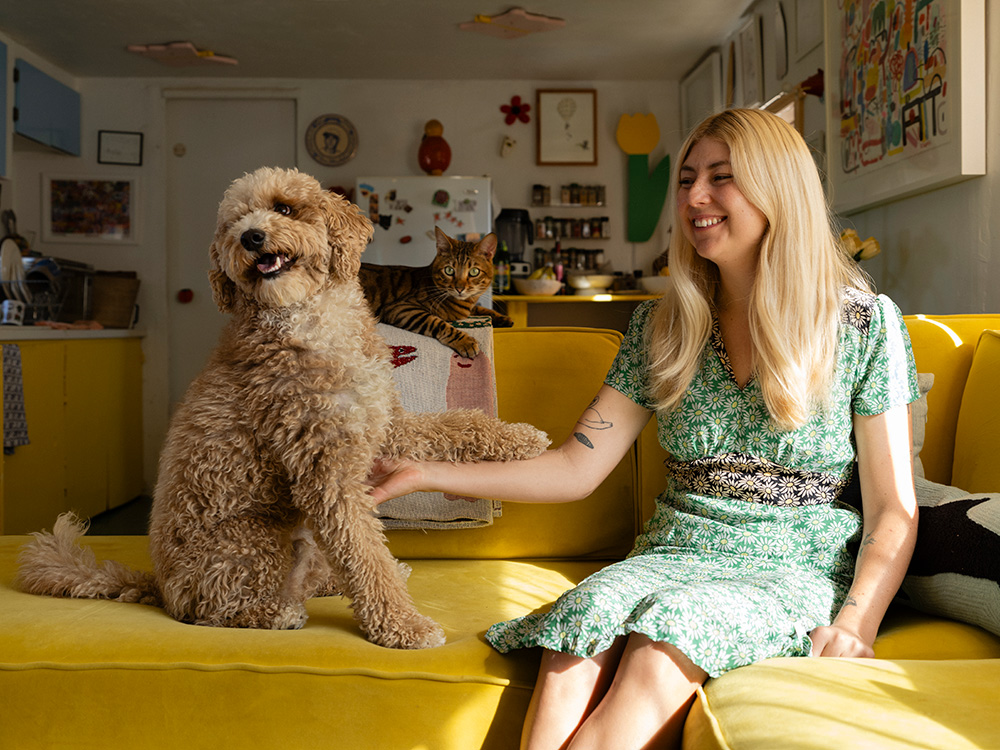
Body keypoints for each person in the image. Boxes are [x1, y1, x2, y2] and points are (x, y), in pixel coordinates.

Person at [366, 108, 919, 750]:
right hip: (669, 552)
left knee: (664, 638)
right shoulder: (663, 326)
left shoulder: (863, 324)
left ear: (778, 189)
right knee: (581, 629)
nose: (694, 197)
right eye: (685, 180)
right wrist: (425, 473)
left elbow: (893, 511)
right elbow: (577, 465)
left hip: (790, 565)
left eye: (721, 177)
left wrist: (857, 623)